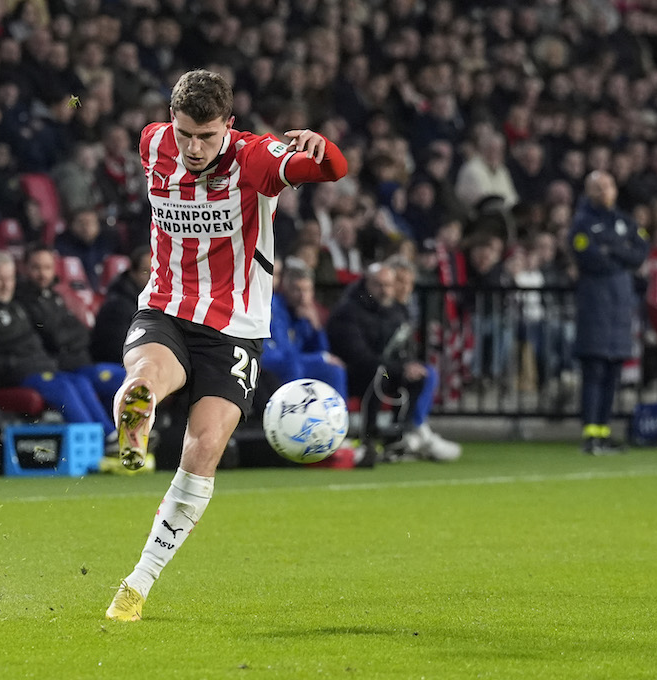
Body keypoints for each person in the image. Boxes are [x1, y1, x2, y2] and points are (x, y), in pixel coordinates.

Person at [105, 69, 348, 622]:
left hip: (234, 327)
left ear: (229, 126)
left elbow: (333, 170)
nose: (193, 148)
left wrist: (320, 145)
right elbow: (165, 142)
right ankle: (135, 426)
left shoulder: (255, 157)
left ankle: (137, 583)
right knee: (144, 378)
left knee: (205, 445)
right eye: (185, 134)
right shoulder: (152, 142)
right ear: (170, 122)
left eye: (207, 136)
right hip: (166, 305)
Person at [0, 249, 116, 435]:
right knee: (61, 387)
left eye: (10, 279)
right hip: (2, 379)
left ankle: (109, 434)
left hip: (33, 369)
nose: (6, 286)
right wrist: (13, 364)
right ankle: (97, 438)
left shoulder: (13, 306)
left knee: (79, 382)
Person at [326, 261, 460, 466]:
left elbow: (403, 349)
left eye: (388, 285)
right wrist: (399, 367)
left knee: (418, 376)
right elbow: (358, 355)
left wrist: (408, 365)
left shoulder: (396, 310)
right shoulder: (349, 311)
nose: (385, 290)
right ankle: (368, 437)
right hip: (355, 372)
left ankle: (400, 435)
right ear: (366, 283)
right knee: (378, 374)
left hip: (386, 370)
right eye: (378, 285)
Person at [571, 170, 648, 454]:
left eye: (608, 186)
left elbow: (640, 252)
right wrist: (620, 253)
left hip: (619, 306)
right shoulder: (583, 223)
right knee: (595, 369)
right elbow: (589, 258)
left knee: (613, 370)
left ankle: (603, 431)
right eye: (598, 187)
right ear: (589, 191)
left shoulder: (624, 221)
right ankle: (590, 433)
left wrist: (611, 249)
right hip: (595, 304)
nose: (605, 191)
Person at [16, 243, 126, 417]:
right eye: (36, 267)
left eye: (47, 267)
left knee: (127, 378)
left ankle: (128, 428)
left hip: (80, 363)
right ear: (24, 267)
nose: (42, 274)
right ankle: (108, 432)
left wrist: (68, 336)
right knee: (84, 383)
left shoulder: (55, 297)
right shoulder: (21, 300)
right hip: (63, 368)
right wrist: (70, 337)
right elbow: (54, 337)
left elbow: (83, 333)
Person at [261, 261, 347, 398]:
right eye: (297, 290)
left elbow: (322, 349)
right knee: (293, 367)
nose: (303, 296)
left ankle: (335, 411)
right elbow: (283, 353)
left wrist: (316, 327)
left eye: (307, 290)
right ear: (286, 289)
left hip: (298, 363)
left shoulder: (305, 313)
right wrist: (321, 358)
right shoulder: (275, 308)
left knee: (334, 371)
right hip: (275, 363)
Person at [90, 245, 151, 364]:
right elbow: (119, 349)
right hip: (115, 365)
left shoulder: (156, 301)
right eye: (145, 271)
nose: (151, 277)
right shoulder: (118, 305)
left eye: (155, 272)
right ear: (132, 273)